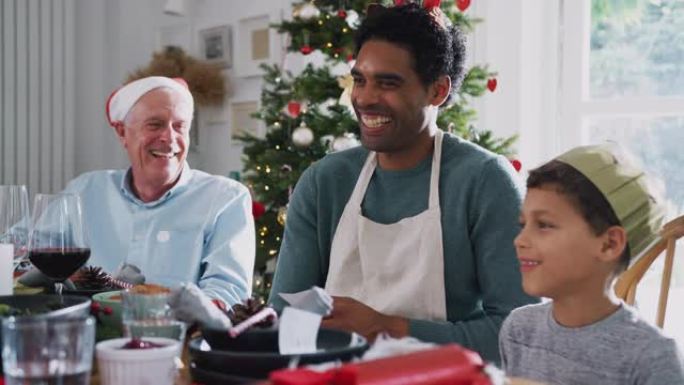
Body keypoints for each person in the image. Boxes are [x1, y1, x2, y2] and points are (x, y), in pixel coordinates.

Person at [269, 3, 535, 363]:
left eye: (388, 83)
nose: (364, 98)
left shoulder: (485, 181)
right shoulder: (324, 183)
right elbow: (287, 317)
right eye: (359, 80)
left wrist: (388, 329)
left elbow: (521, 337)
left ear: (437, 91)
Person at [499, 144, 684, 384]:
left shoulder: (653, 357)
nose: (520, 240)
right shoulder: (519, 329)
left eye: (544, 225)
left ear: (609, 244)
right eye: (523, 224)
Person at [63, 76, 255, 306]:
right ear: (122, 133)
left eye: (179, 126)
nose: (169, 138)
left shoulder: (227, 198)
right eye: (155, 124)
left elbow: (227, 292)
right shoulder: (84, 191)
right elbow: (21, 256)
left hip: (181, 337)